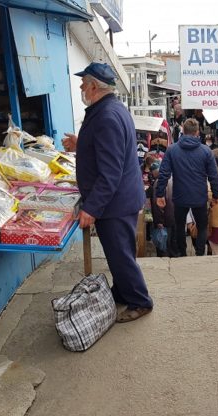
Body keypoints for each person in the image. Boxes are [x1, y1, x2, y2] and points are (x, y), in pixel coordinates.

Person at [61, 62, 154, 322]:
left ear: (93, 86)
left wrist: (92, 208)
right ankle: (123, 292)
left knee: (120, 255)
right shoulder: (108, 109)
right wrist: (82, 144)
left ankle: (140, 301)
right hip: (118, 200)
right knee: (117, 254)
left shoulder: (106, 116)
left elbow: (110, 172)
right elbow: (112, 149)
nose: (81, 87)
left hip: (116, 203)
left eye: (83, 83)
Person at [156, 118, 218, 256]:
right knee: (202, 226)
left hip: (180, 196)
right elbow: (214, 176)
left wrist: (160, 194)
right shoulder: (206, 151)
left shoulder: (172, 150)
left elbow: (164, 174)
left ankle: (182, 253)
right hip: (199, 196)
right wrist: (216, 195)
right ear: (197, 132)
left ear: (183, 131)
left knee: (180, 226)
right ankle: (199, 254)